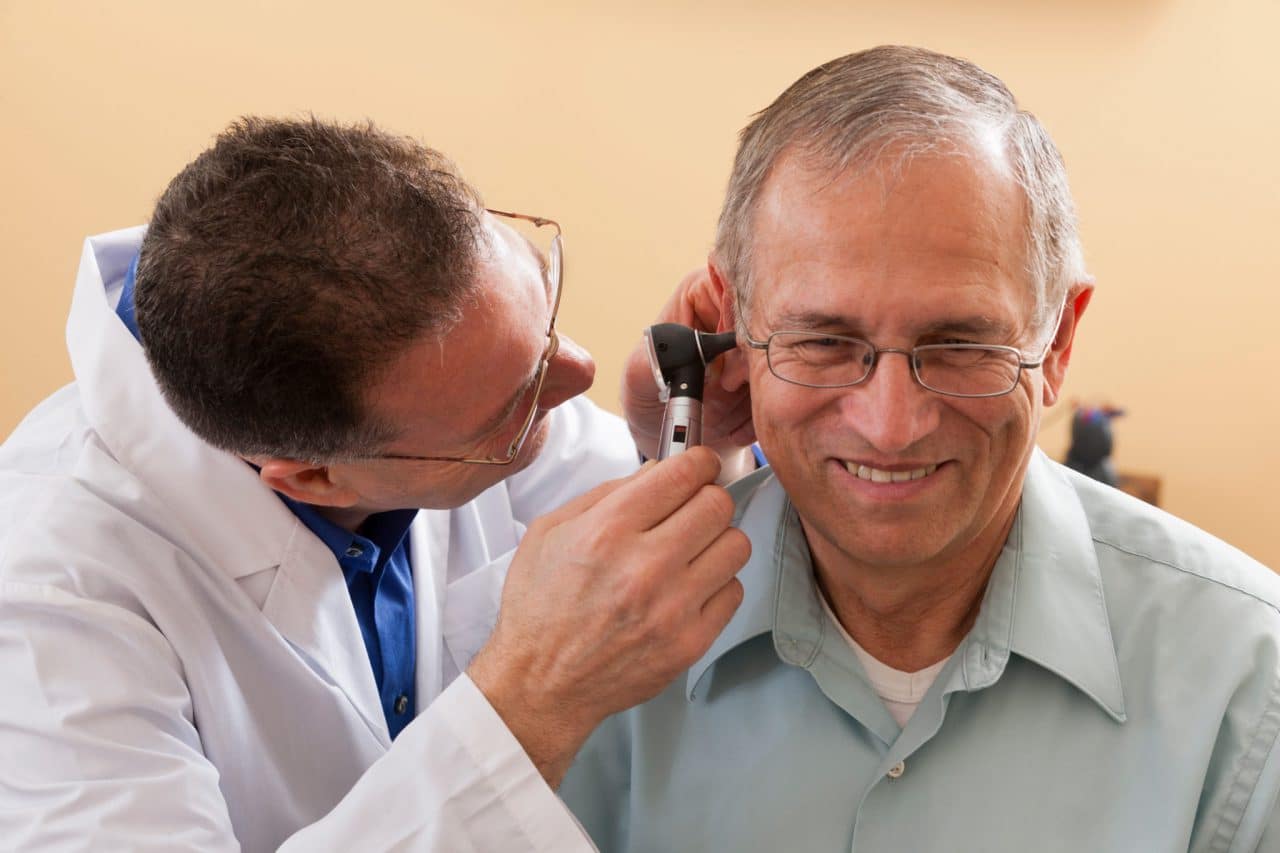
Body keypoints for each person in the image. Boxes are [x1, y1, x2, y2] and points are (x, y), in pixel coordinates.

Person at [564, 45, 1280, 851]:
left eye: (957, 344)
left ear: (1059, 343)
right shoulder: (590, 663)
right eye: (827, 341)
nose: (891, 424)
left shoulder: (1252, 690)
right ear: (734, 324)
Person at [0, 117, 750, 851]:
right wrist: (529, 703)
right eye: (517, 406)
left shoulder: (419, 381)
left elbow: (652, 537)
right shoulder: (48, 606)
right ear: (315, 476)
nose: (584, 372)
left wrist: (687, 434)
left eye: (544, 309)